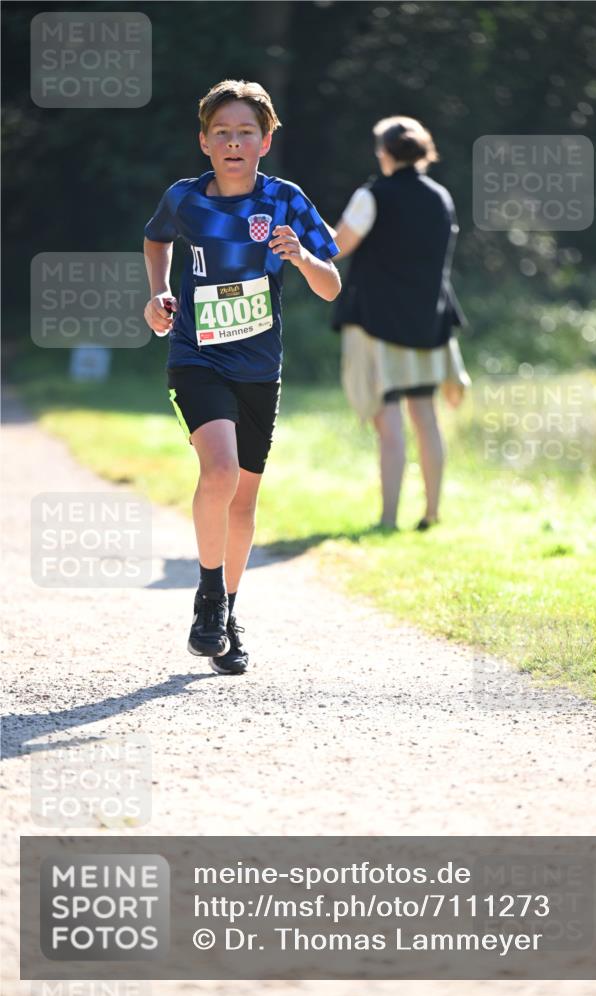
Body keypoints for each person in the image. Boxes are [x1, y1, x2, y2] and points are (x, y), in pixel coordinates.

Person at [143, 79, 340, 674]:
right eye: (222, 132)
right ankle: (207, 599)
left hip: (260, 365)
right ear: (204, 142)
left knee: (244, 499)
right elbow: (155, 241)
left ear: (266, 140)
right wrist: (158, 293)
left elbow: (331, 286)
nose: (233, 142)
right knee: (220, 469)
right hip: (197, 358)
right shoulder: (185, 199)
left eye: (245, 132)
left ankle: (229, 611)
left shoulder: (285, 201)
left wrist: (301, 259)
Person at [331, 116, 470, 531]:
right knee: (425, 417)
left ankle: (388, 519)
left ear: (385, 153)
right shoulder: (441, 197)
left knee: (388, 419)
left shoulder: (371, 195)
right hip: (429, 321)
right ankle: (431, 513)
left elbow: (336, 247)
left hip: (377, 322)